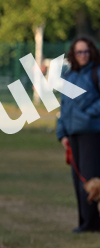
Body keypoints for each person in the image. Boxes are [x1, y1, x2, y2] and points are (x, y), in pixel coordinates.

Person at [57, 36, 100, 233]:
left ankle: (93, 222)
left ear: (91, 52)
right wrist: (62, 133)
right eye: (79, 52)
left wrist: (88, 114)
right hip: (72, 133)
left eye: (86, 51)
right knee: (79, 180)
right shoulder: (69, 76)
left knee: (91, 179)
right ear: (73, 54)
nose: (83, 55)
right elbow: (64, 107)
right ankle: (84, 221)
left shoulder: (96, 73)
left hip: (91, 132)